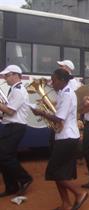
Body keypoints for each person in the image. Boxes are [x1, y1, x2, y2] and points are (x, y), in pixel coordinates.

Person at [32, 68, 88, 210]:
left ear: (62, 80)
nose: (52, 83)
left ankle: (79, 193)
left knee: (53, 172)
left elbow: (59, 118)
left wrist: (42, 112)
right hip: (64, 136)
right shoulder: (63, 93)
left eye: (54, 80)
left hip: (67, 137)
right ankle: (65, 204)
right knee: (59, 173)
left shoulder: (67, 94)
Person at [0, 65, 33, 197]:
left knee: (5, 156)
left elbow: (10, 110)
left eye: (7, 75)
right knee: (7, 156)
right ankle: (11, 186)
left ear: (15, 75)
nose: (5, 78)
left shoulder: (18, 90)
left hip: (15, 127)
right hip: (11, 126)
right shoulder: (14, 90)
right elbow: (8, 112)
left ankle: (25, 178)